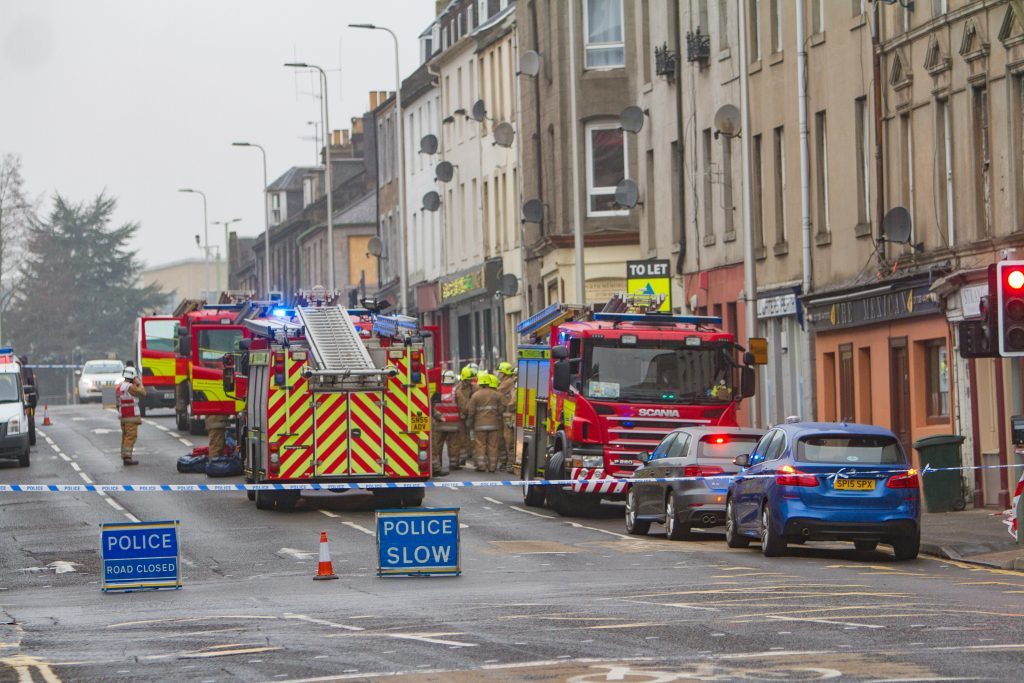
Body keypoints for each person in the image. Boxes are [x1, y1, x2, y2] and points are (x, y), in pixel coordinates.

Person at [466, 372, 502, 472]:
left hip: (479, 426)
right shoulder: (497, 395)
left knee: (480, 445)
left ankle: (481, 466)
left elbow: (471, 411)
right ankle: (492, 467)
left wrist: (470, 422)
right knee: (493, 446)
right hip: (494, 425)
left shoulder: (475, 395)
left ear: (480, 383)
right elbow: (501, 410)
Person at [429, 370, 460, 475]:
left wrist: (438, 416)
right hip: (453, 424)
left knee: (437, 445)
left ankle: (438, 465)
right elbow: (463, 406)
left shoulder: (436, 391)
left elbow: (431, 406)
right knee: (454, 444)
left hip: (439, 423)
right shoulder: (456, 391)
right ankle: (454, 464)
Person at [116, 367, 146, 466]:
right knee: (131, 436)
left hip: (123, 416)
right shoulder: (130, 387)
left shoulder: (120, 386)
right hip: (131, 415)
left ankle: (125, 456)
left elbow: (118, 403)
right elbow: (143, 392)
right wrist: (139, 382)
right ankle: (127, 457)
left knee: (125, 436)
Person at [453, 365, 478, 469]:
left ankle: (471, 455)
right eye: (468, 380)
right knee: (461, 438)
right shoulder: (457, 390)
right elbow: (459, 404)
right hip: (461, 417)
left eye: (471, 380)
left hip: (472, 416)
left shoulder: (474, 388)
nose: (470, 382)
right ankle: (462, 458)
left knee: (473, 437)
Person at [496, 361, 517, 472]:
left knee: (509, 441)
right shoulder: (508, 382)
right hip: (506, 415)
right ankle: (506, 463)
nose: (498, 375)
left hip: (509, 416)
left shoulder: (507, 382)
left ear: (504, 373)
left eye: (500, 373)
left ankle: (510, 464)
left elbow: (497, 392)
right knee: (505, 440)